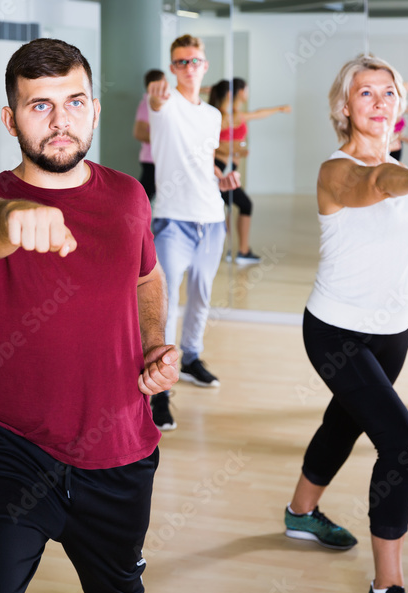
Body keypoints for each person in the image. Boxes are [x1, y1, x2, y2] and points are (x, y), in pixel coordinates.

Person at [0, 38, 177, 593]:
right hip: (8, 448)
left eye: (74, 102)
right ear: (11, 119)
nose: (60, 120)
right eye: (39, 105)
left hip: (120, 450)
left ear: (94, 109)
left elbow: (147, 276)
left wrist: (153, 343)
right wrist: (12, 214)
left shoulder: (128, 197)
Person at [284, 55, 408, 593]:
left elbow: (383, 222)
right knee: (400, 442)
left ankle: (299, 513)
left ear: (400, 104)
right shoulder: (335, 170)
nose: (378, 102)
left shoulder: (396, 163)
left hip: (394, 328)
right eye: (365, 93)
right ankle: (388, 583)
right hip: (336, 330)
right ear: (343, 107)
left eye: (387, 93)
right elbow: (377, 182)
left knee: (345, 422)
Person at [146, 35, 240, 431]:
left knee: (202, 292)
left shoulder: (213, 116)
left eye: (194, 61)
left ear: (204, 66)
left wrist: (220, 178)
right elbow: (155, 103)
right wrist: (154, 95)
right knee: (165, 306)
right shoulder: (164, 104)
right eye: (180, 62)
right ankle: (161, 391)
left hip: (212, 220)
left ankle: (190, 357)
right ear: (171, 68)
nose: (188, 67)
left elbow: (202, 161)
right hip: (172, 222)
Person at [208, 77, 290, 265]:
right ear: (236, 92)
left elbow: (258, 114)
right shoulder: (223, 117)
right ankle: (241, 251)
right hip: (219, 169)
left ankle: (234, 250)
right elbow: (210, 146)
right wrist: (235, 150)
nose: (247, 93)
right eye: (245, 89)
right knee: (244, 205)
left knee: (232, 206)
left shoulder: (236, 115)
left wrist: (278, 109)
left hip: (229, 169)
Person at [133, 69, 164, 201]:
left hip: (157, 159)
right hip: (151, 160)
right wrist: (163, 140)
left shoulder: (158, 103)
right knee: (143, 199)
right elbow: (139, 133)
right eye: (165, 81)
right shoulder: (147, 104)